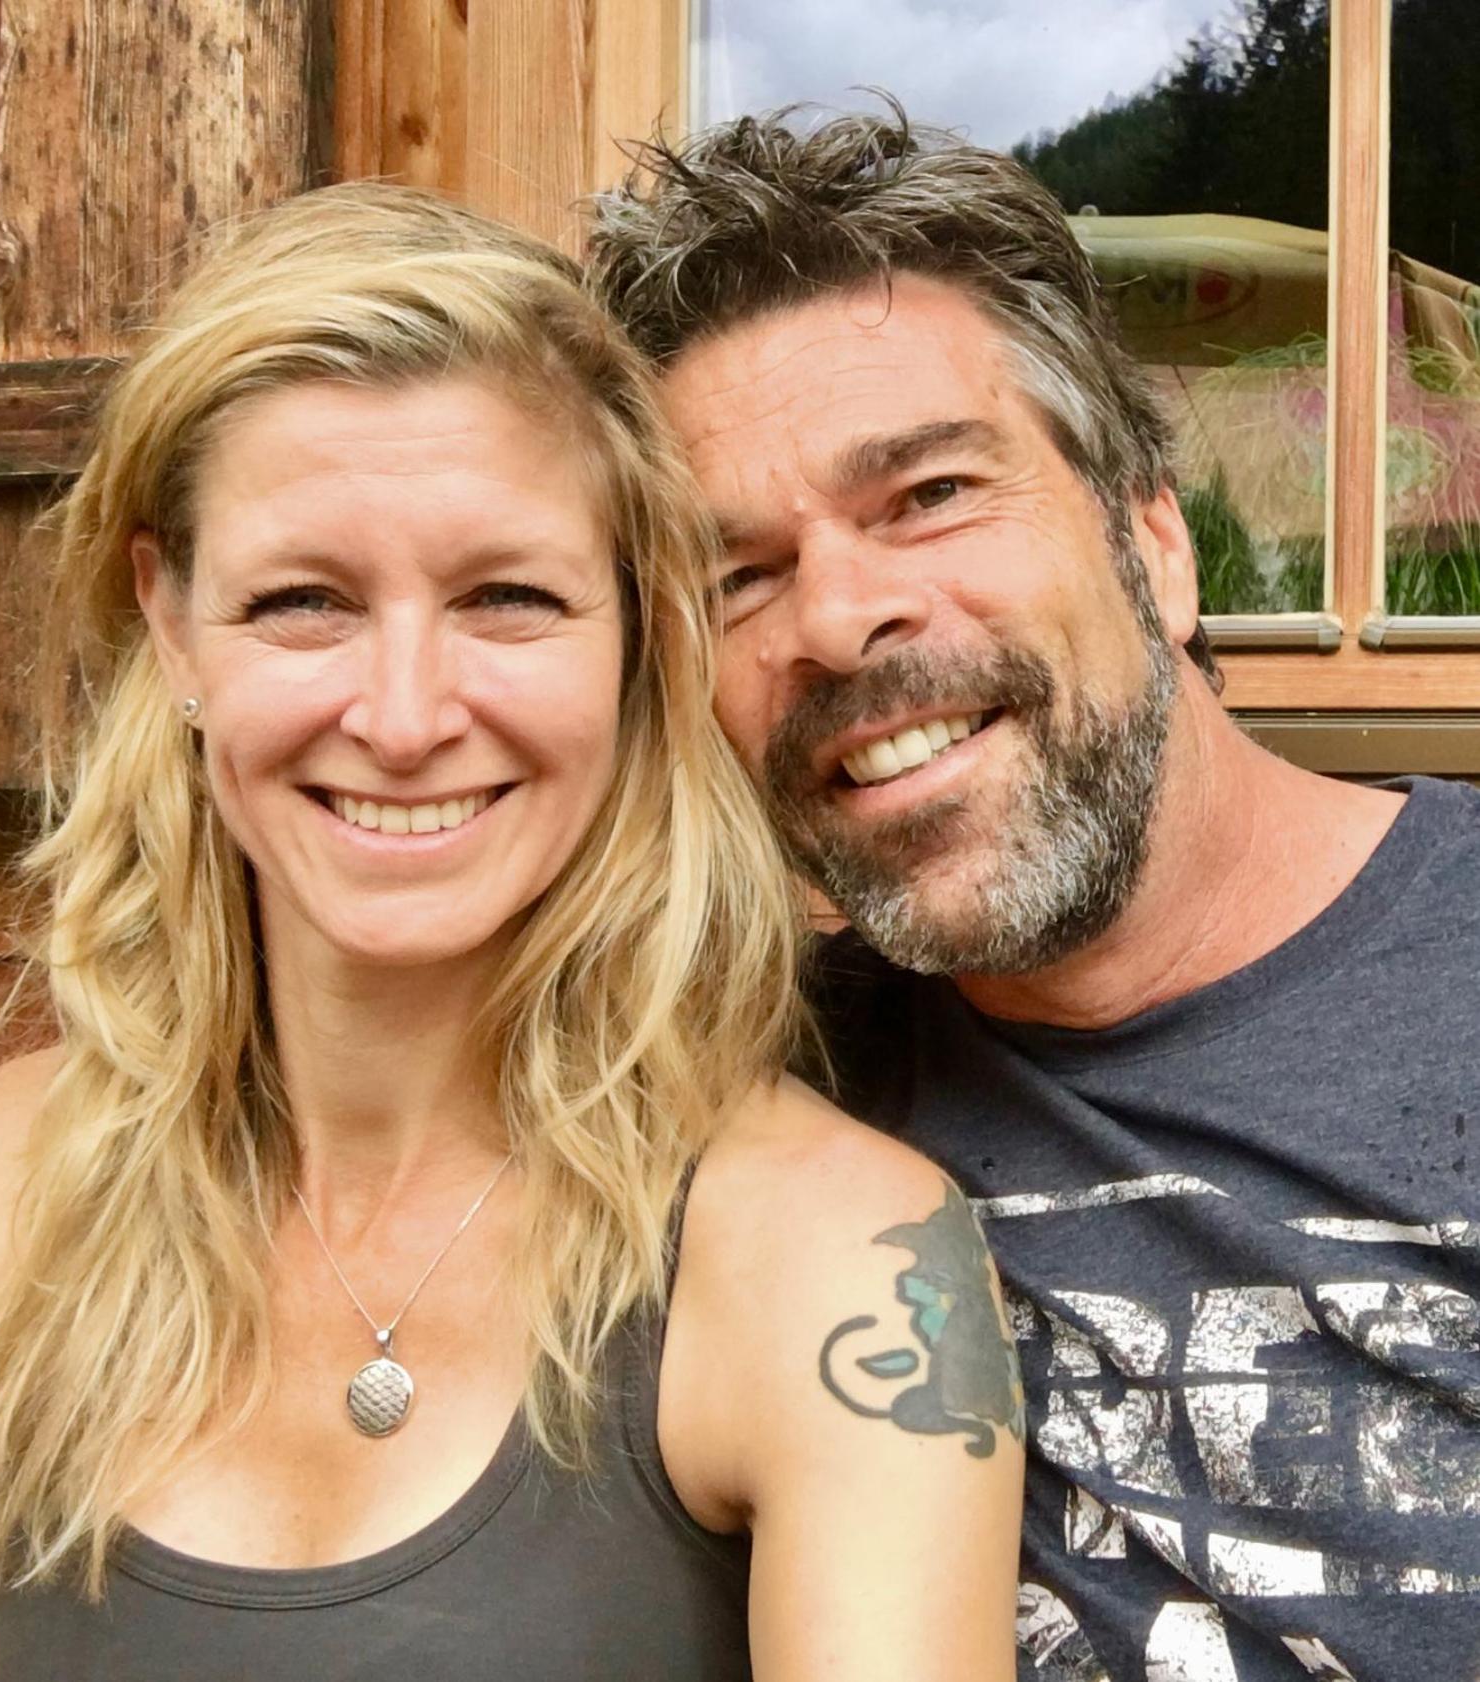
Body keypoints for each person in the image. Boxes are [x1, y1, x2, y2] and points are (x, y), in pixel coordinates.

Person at [0, 183, 1024, 1681]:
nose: (407, 718)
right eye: (304, 600)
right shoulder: (14, 1183)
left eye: (507, 597)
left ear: (636, 638)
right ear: (171, 622)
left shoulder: (839, 1261)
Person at [589, 105, 1480, 1682]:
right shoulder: (730, 1099)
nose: (839, 617)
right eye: (736, 577)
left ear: (1155, 543)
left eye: (927, 492)